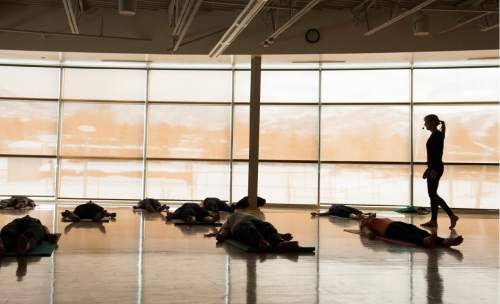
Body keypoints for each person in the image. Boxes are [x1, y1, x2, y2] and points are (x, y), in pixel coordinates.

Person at [421, 114, 459, 229]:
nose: (425, 124)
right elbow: (434, 155)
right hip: (434, 167)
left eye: (426, 122)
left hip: (436, 168)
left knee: (433, 194)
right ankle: (434, 220)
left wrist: (432, 169)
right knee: (432, 195)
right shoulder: (435, 135)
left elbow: (437, 155)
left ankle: (451, 215)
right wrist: (429, 168)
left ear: (432, 123)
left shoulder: (436, 136)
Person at [209, 212, 298, 249]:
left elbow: (264, 228)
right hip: (240, 225)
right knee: (249, 228)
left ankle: (280, 242)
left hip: (256, 221)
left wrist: (281, 235)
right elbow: (225, 231)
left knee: (267, 225)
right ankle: (261, 241)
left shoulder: (249, 214)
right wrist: (221, 235)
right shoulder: (229, 219)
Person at [359, 217, 463, 247]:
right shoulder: (365, 224)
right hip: (388, 230)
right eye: (364, 218)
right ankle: (424, 241)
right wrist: (369, 233)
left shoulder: (376, 219)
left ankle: (444, 241)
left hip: (396, 223)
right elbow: (367, 232)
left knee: (417, 230)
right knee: (406, 235)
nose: (366, 217)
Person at [311, 204, 375, 219]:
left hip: (345, 212)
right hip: (347, 210)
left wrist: (317, 214)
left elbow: (325, 213)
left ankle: (367, 216)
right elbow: (325, 213)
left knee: (354, 215)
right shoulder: (335, 207)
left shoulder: (331, 209)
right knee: (356, 214)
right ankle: (368, 215)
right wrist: (317, 214)